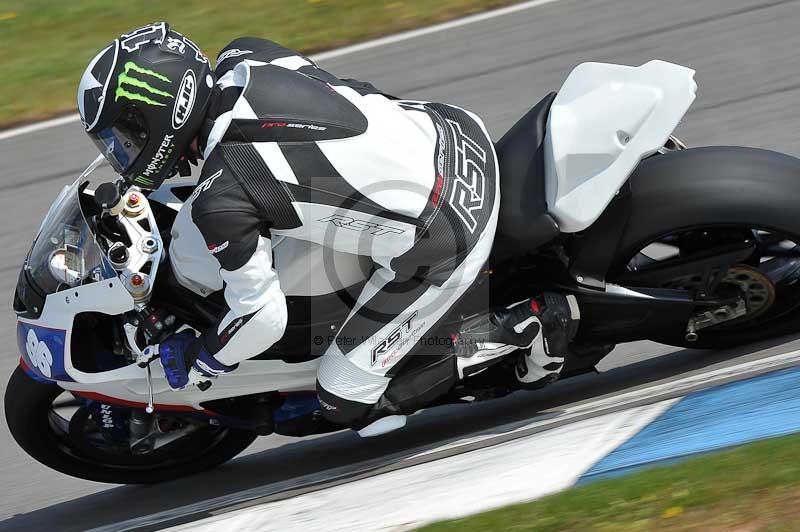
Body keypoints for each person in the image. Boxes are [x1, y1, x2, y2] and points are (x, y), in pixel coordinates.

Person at [77, 22, 579, 435]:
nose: (122, 154)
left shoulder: (223, 193)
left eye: (126, 135)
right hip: (449, 131)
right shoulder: (245, 57)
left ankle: (519, 329)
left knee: (345, 395)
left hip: (445, 227)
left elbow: (262, 319)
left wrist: (203, 357)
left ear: (162, 110)